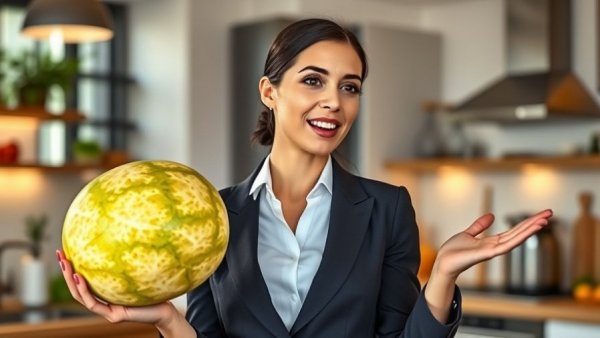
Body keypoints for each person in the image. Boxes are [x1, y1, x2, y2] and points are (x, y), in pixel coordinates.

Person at [56, 18, 553, 338]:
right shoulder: (214, 217)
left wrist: (441, 276)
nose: (334, 102)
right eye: (313, 80)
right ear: (270, 92)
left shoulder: (388, 209)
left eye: (350, 87)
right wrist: (166, 318)